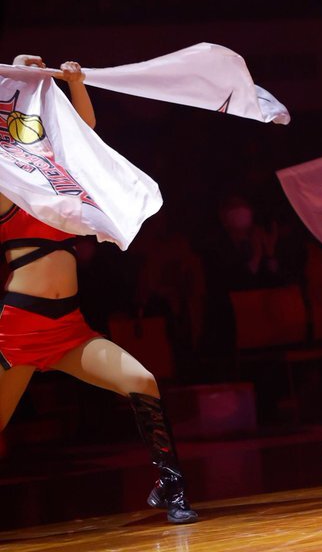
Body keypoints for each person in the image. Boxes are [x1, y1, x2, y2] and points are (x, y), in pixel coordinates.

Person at [0, 55, 198, 524]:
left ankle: (172, 488)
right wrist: (17, 74)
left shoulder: (59, 176)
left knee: (142, 382)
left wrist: (75, 85)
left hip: (67, 326)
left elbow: (83, 132)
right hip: (17, 329)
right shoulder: (8, 185)